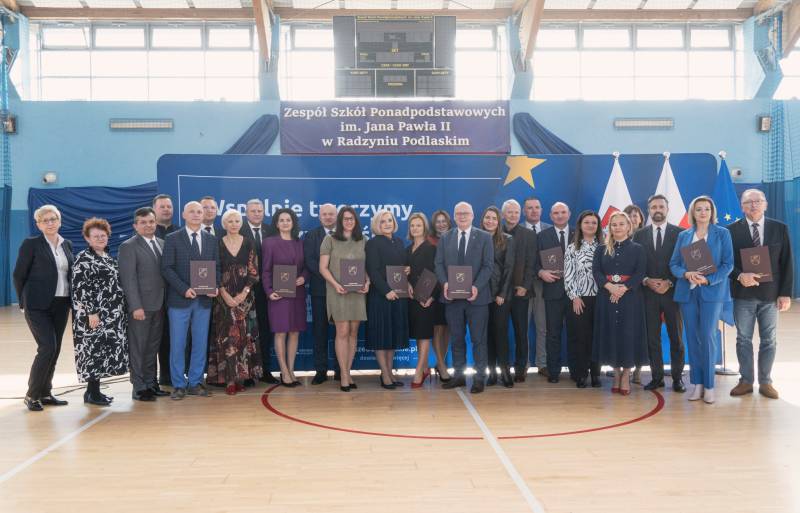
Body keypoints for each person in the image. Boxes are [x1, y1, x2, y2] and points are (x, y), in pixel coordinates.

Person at [728, 189, 793, 399]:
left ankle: (766, 382)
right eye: (748, 202)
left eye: (758, 201)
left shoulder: (779, 228)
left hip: (771, 295)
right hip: (742, 294)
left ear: (765, 204)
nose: (753, 205)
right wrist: (739, 275)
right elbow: (726, 263)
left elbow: (787, 262)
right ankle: (746, 381)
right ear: (742, 206)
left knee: (769, 340)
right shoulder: (730, 231)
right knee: (743, 339)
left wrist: (785, 293)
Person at [670, 196, 733, 405]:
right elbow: (674, 264)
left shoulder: (722, 233)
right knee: (692, 337)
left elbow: (728, 264)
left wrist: (708, 279)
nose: (703, 212)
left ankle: (709, 386)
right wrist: (686, 273)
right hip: (688, 293)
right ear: (693, 213)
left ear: (712, 212)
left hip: (711, 292)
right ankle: (697, 384)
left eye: (707, 209)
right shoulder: (684, 235)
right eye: (699, 209)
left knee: (707, 336)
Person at [13, 205, 74, 412]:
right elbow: (19, 274)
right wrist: (23, 302)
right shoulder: (31, 244)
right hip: (37, 305)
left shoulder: (67, 245)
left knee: (55, 350)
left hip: (61, 304)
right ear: (38, 225)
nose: (49, 223)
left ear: (59, 221)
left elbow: (69, 275)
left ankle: (46, 392)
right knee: (47, 347)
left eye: (53, 219)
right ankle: (32, 394)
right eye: (44, 220)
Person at [161, 201, 221, 400]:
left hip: (204, 301)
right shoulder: (172, 238)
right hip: (179, 300)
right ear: (184, 215)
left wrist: (215, 286)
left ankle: (195, 382)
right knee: (178, 344)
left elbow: (216, 267)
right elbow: (166, 268)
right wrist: (184, 289)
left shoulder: (211, 239)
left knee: (200, 343)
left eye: (199, 211)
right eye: (192, 211)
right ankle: (179, 384)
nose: (196, 214)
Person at [434, 202, 494, 394]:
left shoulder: (484, 237)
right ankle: (459, 376)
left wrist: (476, 287)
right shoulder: (445, 238)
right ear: (454, 216)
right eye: (458, 213)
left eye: (465, 213)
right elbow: (438, 264)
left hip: (477, 298)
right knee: (456, 338)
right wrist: (445, 283)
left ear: (472, 215)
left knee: (478, 340)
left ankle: (479, 378)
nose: (462, 216)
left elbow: (488, 266)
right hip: (452, 299)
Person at [71, 218, 129, 406]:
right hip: (94, 315)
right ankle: (93, 394)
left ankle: (92, 392)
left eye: (103, 235)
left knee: (102, 353)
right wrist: (92, 312)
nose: (100, 239)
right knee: (92, 352)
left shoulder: (107, 256)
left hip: (111, 316)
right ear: (87, 238)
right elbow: (80, 288)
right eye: (95, 236)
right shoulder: (83, 258)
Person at [632, 195, 686, 393]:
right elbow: (635, 265)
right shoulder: (639, 235)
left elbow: (684, 264)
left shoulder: (680, 234)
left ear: (667, 209)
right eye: (654, 207)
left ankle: (678, 378)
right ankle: (657, 377)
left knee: (676, 338)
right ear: (648, 210)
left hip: (673, 293)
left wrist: (669, 282)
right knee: (652, 338)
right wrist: (647, 280)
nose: (657, 210)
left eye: (661, 206)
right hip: (648, 293)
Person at [208, 210, 263, 395]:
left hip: (245, 299)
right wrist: (224, 294)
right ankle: (229, 380)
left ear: (241, 223)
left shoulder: (249, 242)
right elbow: (213, 270)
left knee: (244, 336)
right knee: (227, 338)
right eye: (230, 221)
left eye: (237, 221)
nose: (233, 224)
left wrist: (243, 293)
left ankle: (241, 377)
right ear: (224, 224)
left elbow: (254, 271)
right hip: (222, 299)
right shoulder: (216, 243)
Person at [592, 211, 647, 396]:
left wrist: (623, 289)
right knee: (611, 335)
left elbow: (640, 273)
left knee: (628, 335)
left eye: (621, 224)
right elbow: (596, 272)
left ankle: (626, 375)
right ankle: (616, 374)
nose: (617, 227)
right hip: (607, 297)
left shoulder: (638, 249)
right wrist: (610, 287)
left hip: (630, 298)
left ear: (629, 226)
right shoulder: (601, 249)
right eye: (614, 224)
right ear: (609, 227)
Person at [118, 207, 169, 401]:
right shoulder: (128, 246)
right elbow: (128, 279)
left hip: (160, 304)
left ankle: (151, 383)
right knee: (138, 347)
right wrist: (135, 306)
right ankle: (139, 387)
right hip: (141, 307)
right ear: (135, 225)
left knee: (152, 347)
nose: (148, 225)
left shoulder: (162, 243)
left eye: (151, 221)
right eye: (143, 222)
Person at [319, 206, 369, 392]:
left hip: (357, 293)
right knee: (342, 332)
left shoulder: (363, 240)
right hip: (337, 292)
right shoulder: (330, 239)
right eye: (345, 218)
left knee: (353, 333)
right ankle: (344, 376)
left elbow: (366, 266)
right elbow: (323, 268)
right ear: (340, 221)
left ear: (356, 221)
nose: (348, 221)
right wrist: (335, 284)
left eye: (351, 218)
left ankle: (347, 372)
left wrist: (368, 282)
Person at [263, 208, 309, 388]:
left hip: (297, 293)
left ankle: (291, 369)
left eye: (288, 220)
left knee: (294, 332)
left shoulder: (300, 243)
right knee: (281, 332)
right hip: (278, 295)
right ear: (276, 223)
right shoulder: (269, 243)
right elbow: (266, 270)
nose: (285, 223)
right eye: (281, 220)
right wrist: (269, 291)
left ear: (293, 222)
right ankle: (283, 371)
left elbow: (306, 268)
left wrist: (303, 278)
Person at [366, 210, 410, 389]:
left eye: (389, 220)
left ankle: (390, 372)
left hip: (398, 295)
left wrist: (407, 270)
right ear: (377, 225)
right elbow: (373, 270)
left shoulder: (399, 242)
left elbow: (401, 266)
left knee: (391, 336)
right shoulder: (372, 243)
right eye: (383, 221)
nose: (387, 224)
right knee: (381, 336)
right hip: (381, 296)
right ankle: (384, 374)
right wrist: (386, 291)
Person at [535, 202, 576, 383]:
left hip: (576, 294)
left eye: (563, 212)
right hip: (553, 292)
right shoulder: (542, 236)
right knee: (553, 334)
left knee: (575, 333)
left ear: (569, 214)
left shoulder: (579, 234)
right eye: (556, 213)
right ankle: (553, 371)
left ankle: (577, 371)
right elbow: (534, 261)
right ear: (551, 216)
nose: (560, 215)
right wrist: (540, 272)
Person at [240, 199, 279, 385]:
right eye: (253, 210)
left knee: (264, 330)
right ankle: (247, 373)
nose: (257, 213)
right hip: (243, 289)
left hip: (266, 289)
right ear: (246, 212)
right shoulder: (238, 229)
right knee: (245, 330)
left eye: (260, 210)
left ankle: (265, 370)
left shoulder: (271, 230)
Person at [563, 210, 603, 389]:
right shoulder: (572, 248)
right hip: (579, 300)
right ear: (580, 225)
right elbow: (568, 275)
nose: (590, 225)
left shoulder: (604, 246)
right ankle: (581, 374)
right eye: (587, 222)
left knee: (597, 338)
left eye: (594, 223)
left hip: (601, 299)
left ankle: (596, 374)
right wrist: (575, 297)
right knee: (581, 338)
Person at [304, 203, 339, 385]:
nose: (328, 217)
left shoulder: (345, 234)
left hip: (342, 291)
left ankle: (341, 370)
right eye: (324, 214)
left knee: (342, 332)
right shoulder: (311, 235)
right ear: (319, 217)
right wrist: (329, 277)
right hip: (320, 290)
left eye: (331, 214)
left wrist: (338, 280)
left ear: (336, 216)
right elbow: (309, 261)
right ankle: (321, 370)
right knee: (320, 331)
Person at [501, 199, 537, 383]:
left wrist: (525, 286)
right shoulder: (495, 233)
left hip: (520, 292)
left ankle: (521, 368)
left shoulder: (529, 235)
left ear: (520, 213)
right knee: (499, 332)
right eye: (509, 212)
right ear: (503, 214)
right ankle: (503, 367)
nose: (513, 215)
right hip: (499, 294)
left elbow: (532, 264)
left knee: (521, 332)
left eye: (516, 212)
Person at [481, 206, 515, 387]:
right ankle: (492, 373)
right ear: (483, 219)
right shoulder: (477, 238)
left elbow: (509, 268)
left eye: (494, 218)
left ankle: (505, 372)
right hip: (481, 294)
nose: (490, 221)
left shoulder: (507, 239)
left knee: (500, 333)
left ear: (498, 221)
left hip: (501, 295)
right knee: (486, 335)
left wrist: (502, 293)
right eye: (487, 218)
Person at [407, 213, 440, 388]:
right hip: (411, 299)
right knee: (418, 334)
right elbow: (403, 273)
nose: (415, 228)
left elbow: (435, 273)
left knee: (425, 334)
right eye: (412, 225)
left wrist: (431, 296)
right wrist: (406, 282)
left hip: (426, 299)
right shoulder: (407, 249)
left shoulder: (431, 248)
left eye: (418, 225)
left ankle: (419, 371)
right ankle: (425, 367)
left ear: (424, 227)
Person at [523, 197, 551, 376]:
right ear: (524, 211)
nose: (533, 211)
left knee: (542, 326)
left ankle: (542, 363)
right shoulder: (517, 230)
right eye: (530, 208)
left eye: (537, 207)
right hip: (523, 286)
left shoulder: (550, 229)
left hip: (544, 285)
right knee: (523, 327)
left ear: (541, 210)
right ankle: (524, 364)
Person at [153, 193, 177, 386]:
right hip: (155, 295)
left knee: (173, 336)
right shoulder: (149, 234)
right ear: (154, 209)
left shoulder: (180, 232)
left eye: (169, 206)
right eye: (162, 206)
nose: (166, 210)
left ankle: (171, 374)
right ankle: (151, 379)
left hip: (177, 293)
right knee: (155, 338)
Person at [428, 209, 453, 382]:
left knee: (448, 328)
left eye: (444, 221)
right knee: (437, 328)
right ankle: (441, 365)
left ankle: (440, 362)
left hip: (452, 290)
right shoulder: (429, 241)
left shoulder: (454, 238)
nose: (441, 224)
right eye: (438, 221)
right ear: (433, 224)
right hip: (435, 290)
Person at [623, 203, 646, 384]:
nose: (632, 218)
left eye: (635, 215)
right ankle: (625, 368)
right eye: (629, 215)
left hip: (644, 291)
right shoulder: (616, 238)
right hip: (623, 292)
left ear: (640, 219)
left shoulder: (646, 236)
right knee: (625, 331)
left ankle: (638, 369)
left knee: (641, 331)